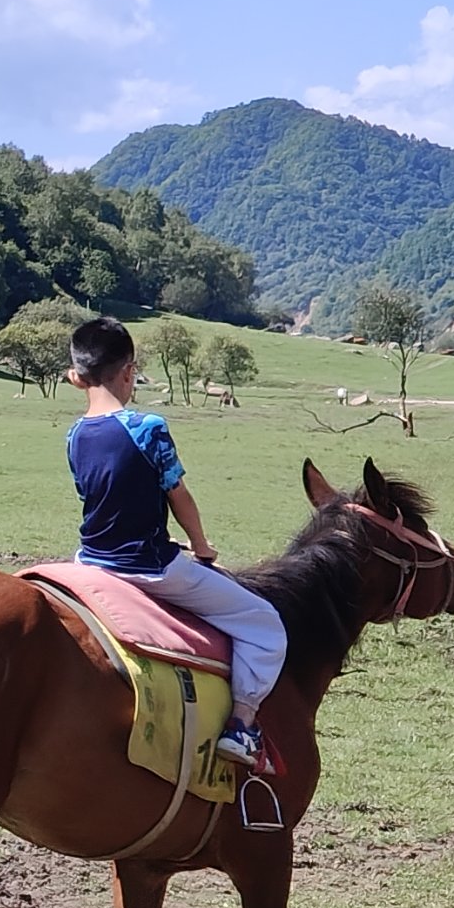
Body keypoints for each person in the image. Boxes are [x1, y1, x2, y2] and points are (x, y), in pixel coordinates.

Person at [63, 315, 286, 775]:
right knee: (264, 622)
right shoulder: (148, 427)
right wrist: (201, 546)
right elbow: (177, 494)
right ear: (129, 371)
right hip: (147, 565)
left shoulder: (74, 436)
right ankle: (242, 725)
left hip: (91, 561)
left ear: (78, 377)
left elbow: (103, 498)